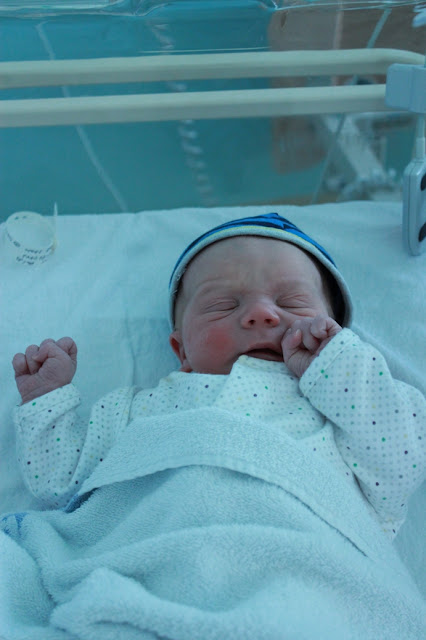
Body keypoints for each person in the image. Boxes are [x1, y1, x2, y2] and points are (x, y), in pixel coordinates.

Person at [5, 213, 426, 639]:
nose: (261, 313)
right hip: (140, 566)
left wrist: (341, 366)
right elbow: (58, 483)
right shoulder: (137, 409)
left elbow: (403, 458)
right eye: (223, 305)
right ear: (181, 349)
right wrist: (46, 401)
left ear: (337, 333)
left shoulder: (347, 406)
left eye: (293, 303)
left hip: (306, 576)